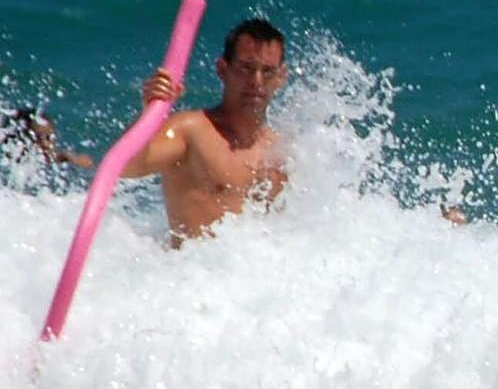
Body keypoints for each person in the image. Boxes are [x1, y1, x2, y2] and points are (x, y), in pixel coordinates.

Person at [122, 18, 289, 245]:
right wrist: (147, 115)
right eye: (246, 68)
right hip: (191, 277)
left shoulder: (282, 151)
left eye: (267, 72)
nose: (256, 81)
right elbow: (125, 167)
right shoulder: (190, 131)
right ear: (222, 69)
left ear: (281, 77)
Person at [1, 108, 94, 168]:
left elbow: (53, 157)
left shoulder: (34, 155)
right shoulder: (7, 151)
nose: (45, 144)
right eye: (37, 138)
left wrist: (72, 158)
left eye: (49, 138)